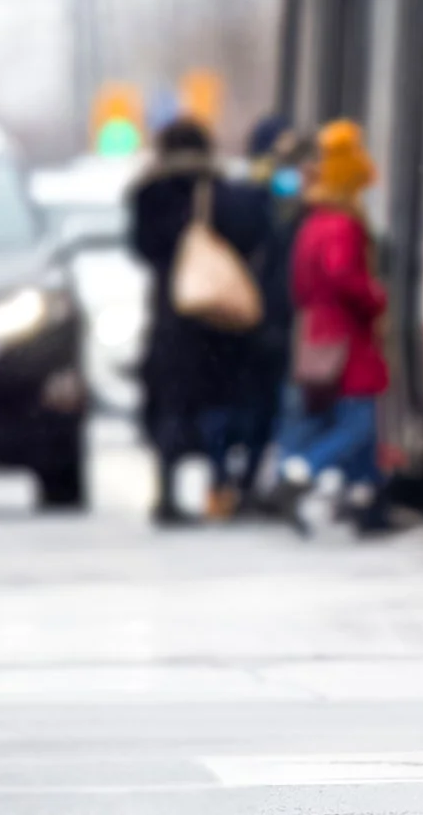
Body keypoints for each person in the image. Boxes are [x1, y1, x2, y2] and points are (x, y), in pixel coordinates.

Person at [128, 118, 271, 527]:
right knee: (216, 406)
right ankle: (220, 488)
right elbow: (249, 234)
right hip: (214, 320)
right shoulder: (217, 191)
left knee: (171, 407)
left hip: (169, 317)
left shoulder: (147, 193)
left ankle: (167, 493)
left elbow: (141, 247)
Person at [274, 120, 395, 536]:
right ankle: (303, 471)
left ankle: (367, 500)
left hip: (319, 331)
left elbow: (299, 283)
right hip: (348, 335)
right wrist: (376, 296)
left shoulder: (312, 223)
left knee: (350, 420)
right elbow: (344, 275)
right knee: (358, 422)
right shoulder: (343, 224)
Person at [227, 116, 313, 514]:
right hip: (272, 318)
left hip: (252, 319)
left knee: (260, 410)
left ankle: (244, 484)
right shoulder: (273, 200)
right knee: (269, 409)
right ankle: (256, 484)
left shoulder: (244, 195)